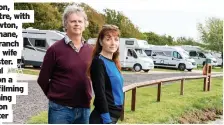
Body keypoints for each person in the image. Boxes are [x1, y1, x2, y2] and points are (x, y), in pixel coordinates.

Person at [37, 4, 92, 124]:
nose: (77, 24)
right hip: (60, 109)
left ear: (84, 24)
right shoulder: (55, 49)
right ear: (66, 24)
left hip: (84, 109)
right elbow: (42, 79)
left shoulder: (91, 51)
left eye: (80, 21)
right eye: (73, 21)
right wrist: (55, 97)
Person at [88, 24, 124, 124]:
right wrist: (107, 120)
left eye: (116, 39)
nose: (113, 43)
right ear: (101, 41)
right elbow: (100, 93)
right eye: (108, 39)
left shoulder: (113, 62)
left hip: (113, 115)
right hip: (103, 118)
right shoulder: (99, 62)